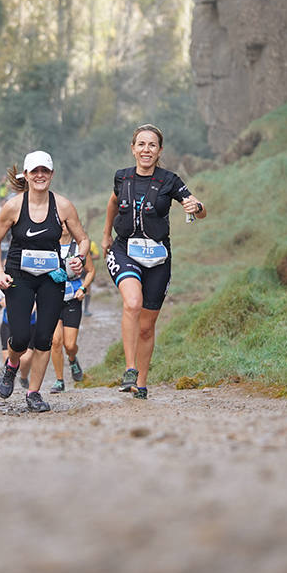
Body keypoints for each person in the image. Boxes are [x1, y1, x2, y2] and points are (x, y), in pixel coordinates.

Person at [101, 124, 206, 399]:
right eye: (141, 144)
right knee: (132, 302)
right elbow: (112, 203)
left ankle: (142, 384)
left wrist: (198, 207)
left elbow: (197, 206)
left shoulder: (169, 180)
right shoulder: (121, 178)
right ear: (133, 148)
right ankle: (130, 369)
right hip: (124, 249)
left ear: (159, 151)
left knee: (147, 327)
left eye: (152, 145)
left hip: (158, 256)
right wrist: (104, 237)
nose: (146, 150)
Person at [0, 151, 89, 412]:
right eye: (35, 171)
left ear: (52, 174)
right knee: (21, 337)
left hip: (51, 277)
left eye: (45, 170)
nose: (40, 175)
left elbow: (84, 238)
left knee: (44, 338)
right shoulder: (13, 207)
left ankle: (33, 393)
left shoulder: (63, 206)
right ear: (26, 175)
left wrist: (79, 258)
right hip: (18, 276)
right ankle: (12, 366)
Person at [49, 221, 96, 393]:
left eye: (65, 223)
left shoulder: (79, 247)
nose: (62, 226)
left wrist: (83, 288)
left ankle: (72, 358)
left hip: (73, 299)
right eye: (59, 223)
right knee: (55, 342)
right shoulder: (49, 246)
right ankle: (59, 380)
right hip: (52, 299)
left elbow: (91, 271)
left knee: (69, 344)